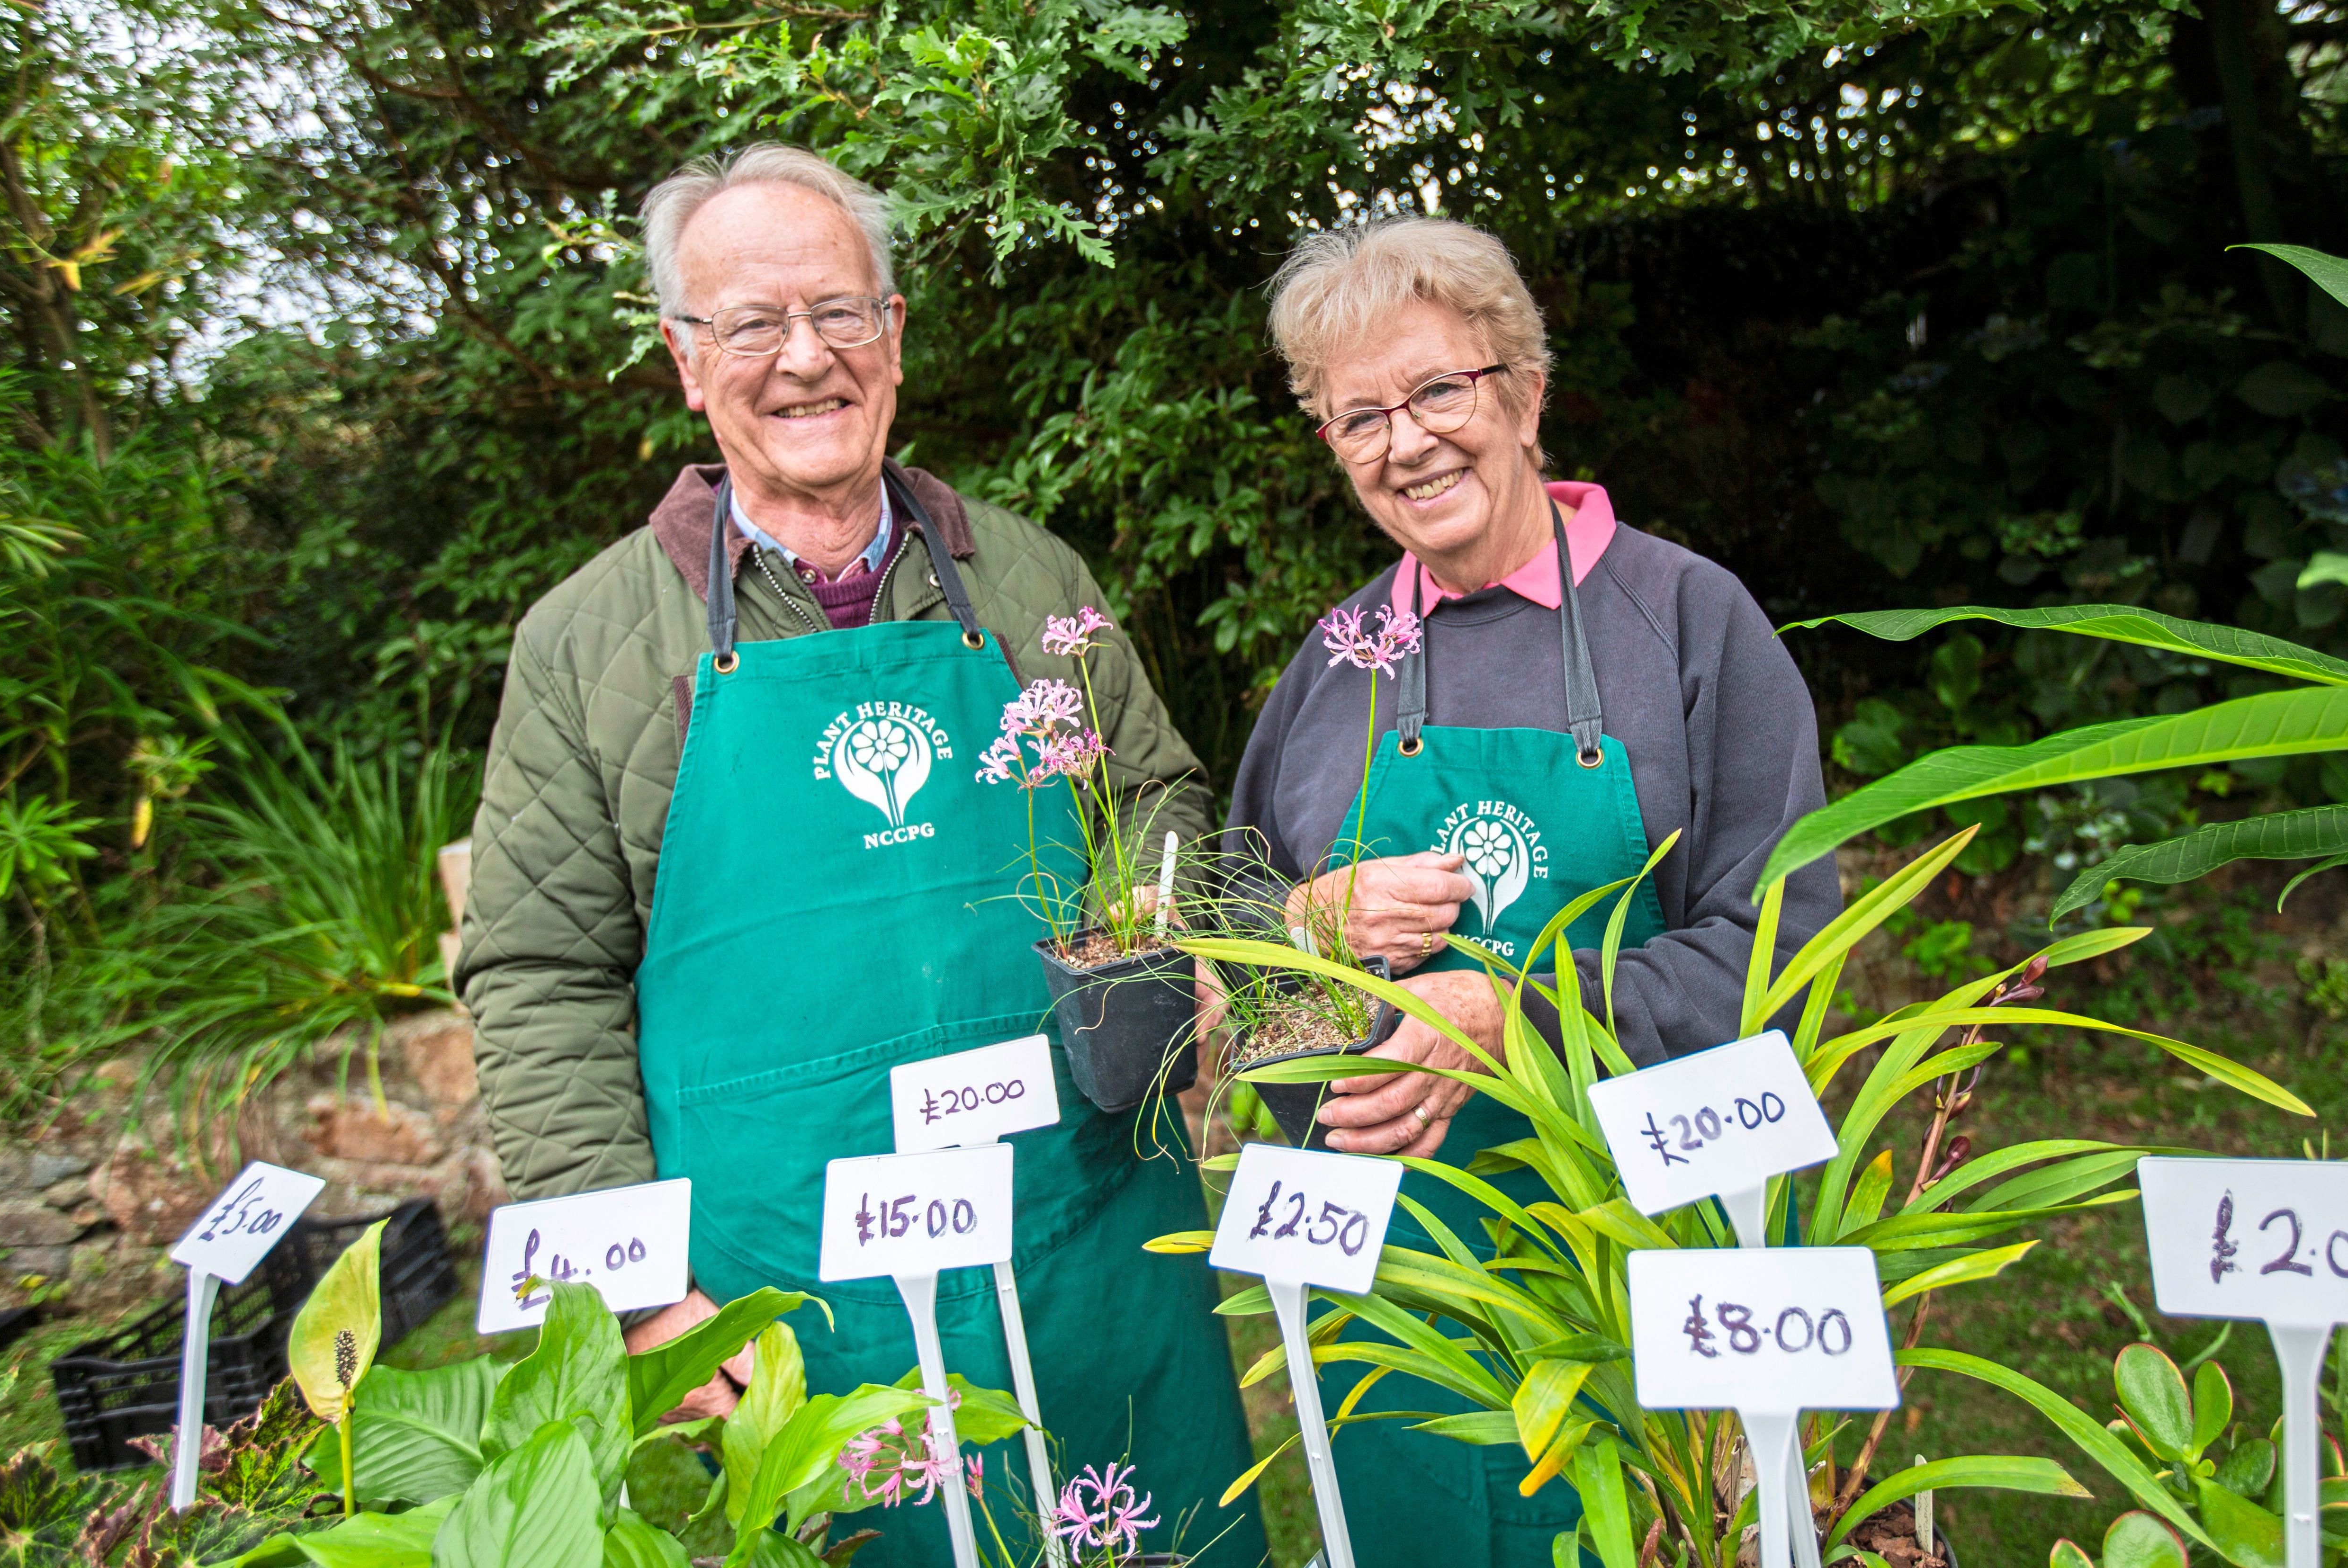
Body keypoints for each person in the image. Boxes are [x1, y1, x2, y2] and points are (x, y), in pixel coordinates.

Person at [458, 143, 1264, 1567]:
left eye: (839, 312)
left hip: (1076, 1227)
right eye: (751, 324)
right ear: (685, 360)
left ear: (894, 336)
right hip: (785, 1287)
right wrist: (637, 1290)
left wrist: (1157, 922)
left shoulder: (1027, 579)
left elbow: (1155, 792)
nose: (804, 358)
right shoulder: (587, 644)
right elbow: (537, 975)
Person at [1220, 215, 1841, 1565]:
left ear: (1527, 390)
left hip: (1648, 1247)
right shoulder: (1337, 663)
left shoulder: (1686, 619)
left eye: (1440, 388)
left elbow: (1784, 954)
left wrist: (1514, 1014)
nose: (1406, 440)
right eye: (1357, 415)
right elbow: (1237, 986)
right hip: (1407, 1287)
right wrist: (1301, 927)